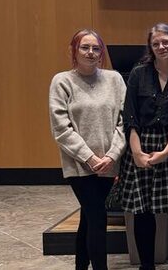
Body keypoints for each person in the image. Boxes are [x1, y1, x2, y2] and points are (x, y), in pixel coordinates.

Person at [49, 29, 126, 270]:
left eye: (96, 48)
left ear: (101, 53)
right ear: (74, 50)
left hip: (109, 163)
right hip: (79, 166)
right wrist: (89, 158)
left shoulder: (115, 79)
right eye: (85, 47)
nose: (91, 52)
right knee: (97, 216)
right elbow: (61, 128)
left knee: (89, 217)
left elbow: (125, 120)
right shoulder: (62, 81)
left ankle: (81, 266)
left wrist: (112, 155)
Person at [118, 24, 168, 270]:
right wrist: (137, 153)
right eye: (156, 44)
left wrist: (167, 152)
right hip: (140, 144)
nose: (161, 47)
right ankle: (146, 265)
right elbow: (129, 117)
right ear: (150, 48)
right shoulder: (139, 73)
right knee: (142, 211)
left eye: (166, 42)